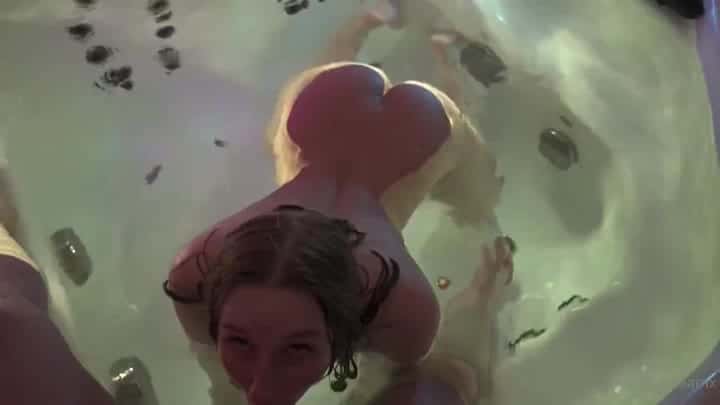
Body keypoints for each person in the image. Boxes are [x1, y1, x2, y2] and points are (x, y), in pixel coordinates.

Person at [160, 1, 507, 404]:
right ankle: (422, 43)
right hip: (373, 113)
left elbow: (212, 362)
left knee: (477, 204)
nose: (261, 389)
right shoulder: (194, 269)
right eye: (238, 341)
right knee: (477, 198)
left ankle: (375, 21)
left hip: (378, 115)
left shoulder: (407, 306)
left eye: (298, 349)